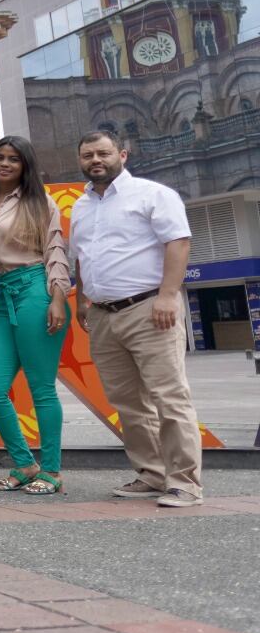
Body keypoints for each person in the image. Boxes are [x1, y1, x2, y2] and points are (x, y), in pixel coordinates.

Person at [72, 131, 202, 508]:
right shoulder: (82, 206)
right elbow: (83, 257)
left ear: (122, 154)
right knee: (128, 402)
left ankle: (185, 483)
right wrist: (82, 301)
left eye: (103, 153)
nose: (95, 160)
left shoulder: (153, 194)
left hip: (149, 309)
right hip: (103, 314)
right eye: (88, 155)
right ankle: (151, 473)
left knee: (169, 397)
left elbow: (178, 242)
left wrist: (167, 295)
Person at [0, 136, 71, 496]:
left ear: (25, 165)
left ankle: (53, 471)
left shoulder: (39, 202)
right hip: (0, 297)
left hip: (34, 290)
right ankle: (26, 464)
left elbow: (55, 250)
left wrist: (57, 298)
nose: (5, 164)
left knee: (41, 387)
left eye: (14, 159)